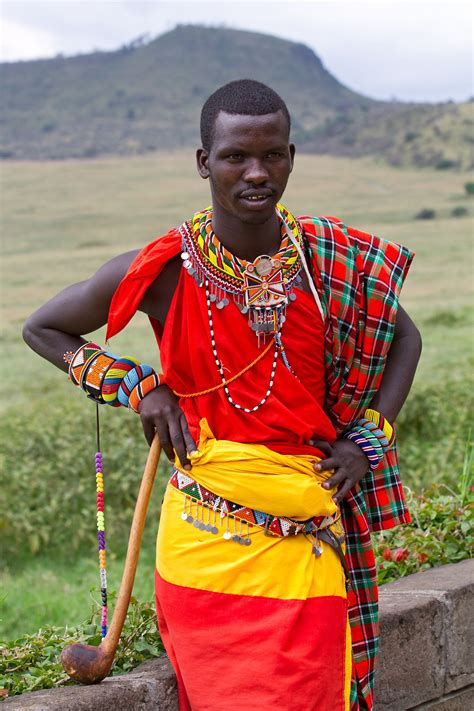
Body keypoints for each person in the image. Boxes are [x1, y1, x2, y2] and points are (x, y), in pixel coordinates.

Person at [23, 79, 421, 711]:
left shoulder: (327, 262)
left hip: (305, 538)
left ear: (292, 156)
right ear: (205, 162)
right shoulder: (166, 268)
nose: (256, 173)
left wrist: (367, 440)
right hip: (204, 546)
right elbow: (42, 327)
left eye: (273, 156)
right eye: (236, 156)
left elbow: (406, 337)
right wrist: (139, 388)